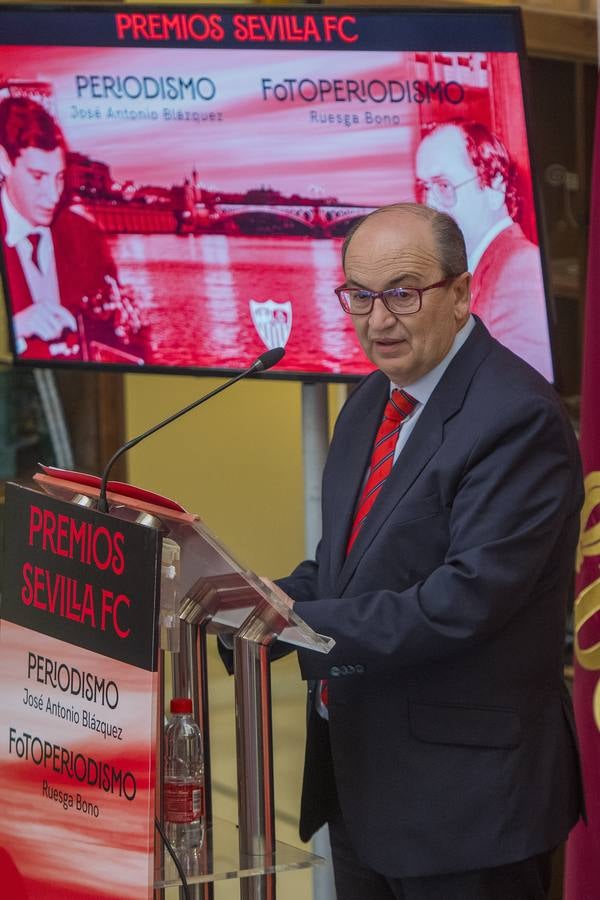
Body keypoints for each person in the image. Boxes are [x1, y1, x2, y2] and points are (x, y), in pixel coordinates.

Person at [270, 203, 583, 899]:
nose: (378, 321)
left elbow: (461, 602)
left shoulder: (516, 419)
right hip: (363, 786)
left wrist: (296, 626)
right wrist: (249, 601)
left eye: (403, 294)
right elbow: (345, 569)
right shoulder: (369, 402)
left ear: (462, 293)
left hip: (467, 808)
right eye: (359, 296)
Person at [0, 96, 141, 362]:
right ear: (4, 162)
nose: (53, 195)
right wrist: (13, 331)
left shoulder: (86, 236)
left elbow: (117, 338)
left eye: (60, 178)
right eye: (38, 177)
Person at [415, 120, 553, 381]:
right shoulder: (474, 268)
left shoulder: (520, 269)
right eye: (424, 187)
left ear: (495, 186)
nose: (430, 205)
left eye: (444, 186)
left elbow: (521, 397)